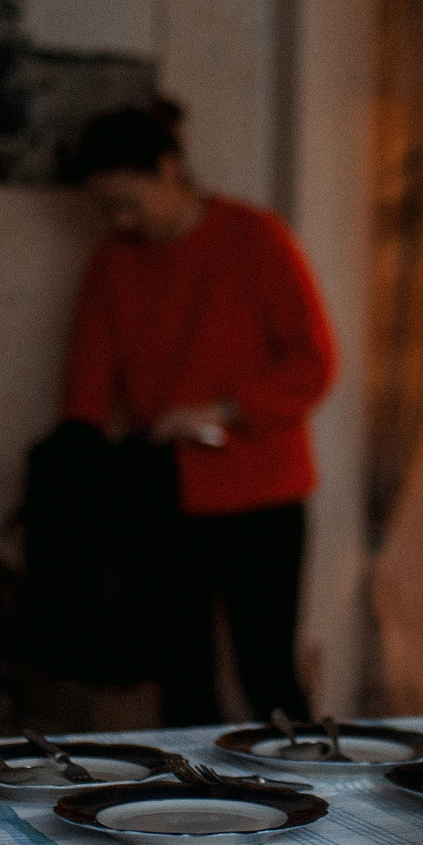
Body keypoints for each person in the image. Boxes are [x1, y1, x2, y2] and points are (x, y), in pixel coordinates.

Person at [60, 99, 337, 726]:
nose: (120, 220)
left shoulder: (254, 237)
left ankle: (307, 809)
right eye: (108, 208)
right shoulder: (113, 261)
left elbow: (314, 363)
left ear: (169, 169)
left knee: (268, 675)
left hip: (263, 494)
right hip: (164, 498)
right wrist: (76, 480)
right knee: (181, 681)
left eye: (128, 202)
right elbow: (86, 387)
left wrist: (224, 409)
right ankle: (192, 816)